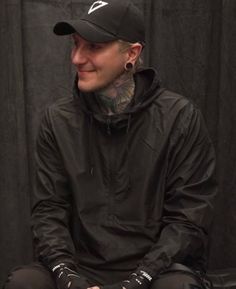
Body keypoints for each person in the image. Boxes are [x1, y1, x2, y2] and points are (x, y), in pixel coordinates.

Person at [4, 0, 217, 289]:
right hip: (79, 268)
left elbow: (188, 222)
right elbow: (48, 211)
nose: (77, 58)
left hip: (157, 271)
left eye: (93, 47)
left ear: (131, 53)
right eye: (75, 44)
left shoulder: (180, 118)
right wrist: (68, 277)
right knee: (24, 282)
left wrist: (135, 282)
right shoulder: (58, 120)